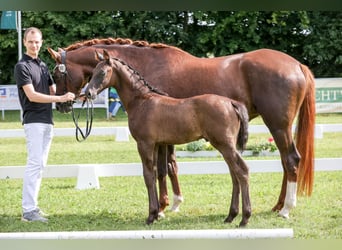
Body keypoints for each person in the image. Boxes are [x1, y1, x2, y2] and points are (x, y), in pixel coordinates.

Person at [14, 27, 75, 222]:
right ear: (25, 42)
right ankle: (28, 211)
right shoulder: (21, 66)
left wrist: (70, 95)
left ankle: (33, 207)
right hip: (33, 121)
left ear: (41, 42)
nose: (34, 45)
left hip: (47, 121)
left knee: (40, 165)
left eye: (37, 41)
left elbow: (54, 90)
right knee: (34, 164)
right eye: (30, 41)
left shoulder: (42, 65)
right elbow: (31, 95)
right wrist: (60, 98)